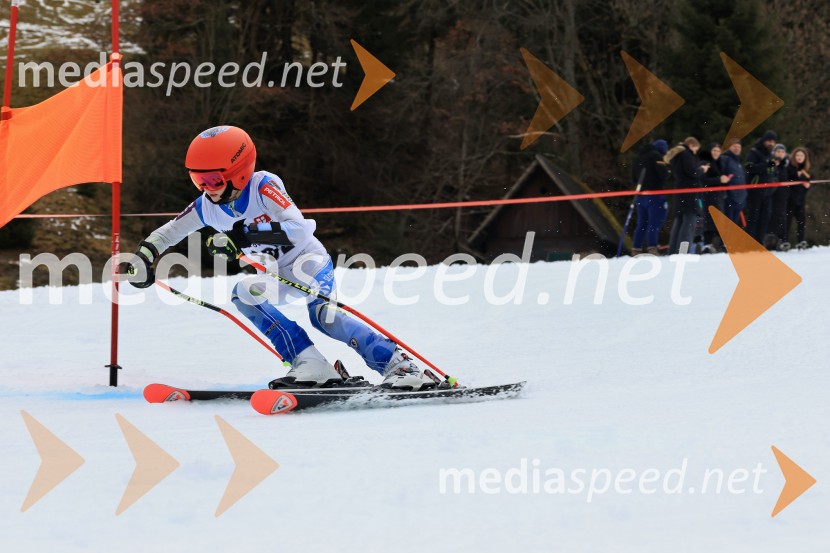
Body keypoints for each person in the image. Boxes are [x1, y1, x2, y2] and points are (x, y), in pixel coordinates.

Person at [119, 126, 436, 390]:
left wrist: (244, 237)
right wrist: (143, 257)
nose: (207, 189)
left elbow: (300, 227)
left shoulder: (263, 185)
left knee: (324, 316)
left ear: (238, 172)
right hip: (274, 274)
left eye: (213, 180)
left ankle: (401, 367)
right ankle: (310, 363)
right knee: (244, 294)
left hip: (307, 262)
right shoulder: (206, 205)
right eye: (198, 181)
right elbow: (168, 232)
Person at [666, 137, 704, 255]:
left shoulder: (677, 155)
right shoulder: (686, 155)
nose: (695, 152)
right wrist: (701, 169)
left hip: (680, 192)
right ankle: (682, 252)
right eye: (696, 149)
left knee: (679, 222)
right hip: (688, 193)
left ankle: (672, 250)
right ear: (692, 145)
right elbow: (692, 172)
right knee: (689, 223)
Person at [631, 139, 670, 255]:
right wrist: (667, 169)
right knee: (655, 222)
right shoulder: (656, 156)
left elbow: (633, 178)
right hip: (655, 194)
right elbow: (664, 174)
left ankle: (636, 248)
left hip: (641, 195)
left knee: (642, 223)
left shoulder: (637, 157)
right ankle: (652, 247)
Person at [744, 130, 779, 243]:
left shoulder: (770, 154)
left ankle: (759, 242)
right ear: (764, 140)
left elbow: (773, 172)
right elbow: (749, 168)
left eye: (773, 141)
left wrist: (774, 182)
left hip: (767, 193)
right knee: (753, 218)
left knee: (765, 219)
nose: (771, 143)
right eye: (769, 141)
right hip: (755, 192)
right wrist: (765, 165)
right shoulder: (754, 152)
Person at [698, 143, 731, 251]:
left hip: (719, 196)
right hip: (708, 197)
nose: (716, 153)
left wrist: (725, 181)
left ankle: (722, 245)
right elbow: (703, 180)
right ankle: (707, 244)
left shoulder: (721, 163)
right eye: (714, 151)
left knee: (720, 221)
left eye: (718, 151)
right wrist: (719, 180)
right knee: (710, 221)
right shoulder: (705, 162)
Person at [769, 143, 795, 249]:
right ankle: (771, 240)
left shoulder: (787, 165)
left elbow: (794, 176)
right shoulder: (770, 163)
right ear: (774, 153)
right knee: (771, 217)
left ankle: (783, 240)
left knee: (783, 217)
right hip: (771, 195)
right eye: (778, 151)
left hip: (784, 196)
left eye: (782, 152)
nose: (780, 154)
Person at [786, 146, 812, 248]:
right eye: (797, 155)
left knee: (802, 221)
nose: (799, 157)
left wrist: (807, 187)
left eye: (801, 155)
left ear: (805, 157)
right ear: (794, 156)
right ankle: (784, 241)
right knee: (787, 221)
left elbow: (807, 183)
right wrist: (797, 176)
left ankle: (801, 241)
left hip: (800, 200)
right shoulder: (790, 167)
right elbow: (788, 180)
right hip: (789, 199)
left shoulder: (805, 169)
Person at [720, 138, 747, 225]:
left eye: (739, 146)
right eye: (734, 146)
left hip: (740, 199)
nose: (737, 148)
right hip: (729, 198)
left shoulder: (738, 163)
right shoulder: (725, 159)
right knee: (727, 225)